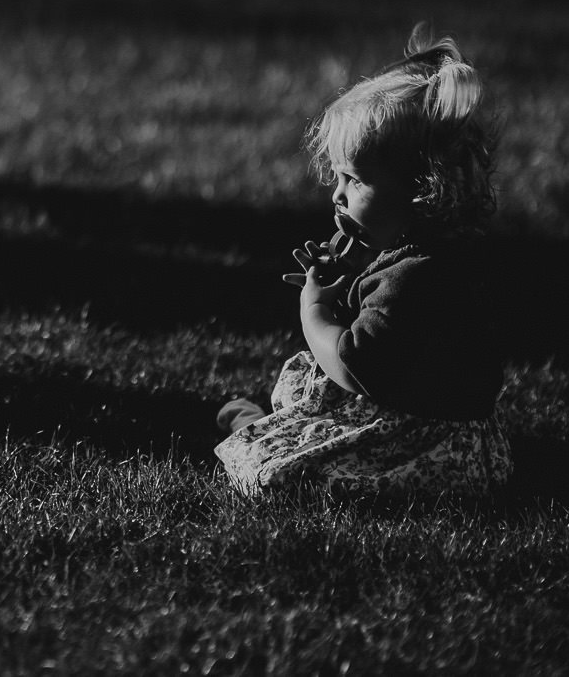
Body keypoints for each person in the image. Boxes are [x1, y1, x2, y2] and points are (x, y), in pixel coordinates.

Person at [214, 30, 512, 499]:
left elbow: (355, 366)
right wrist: (353, 276)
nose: (337, 194)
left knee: (275, 476)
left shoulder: (413, 278)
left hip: (405, 446)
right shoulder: (446, 259)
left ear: (420, 187)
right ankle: (270, 425)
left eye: (352, 179)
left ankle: (252, 429)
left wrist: (315, 312)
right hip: (466, 450)